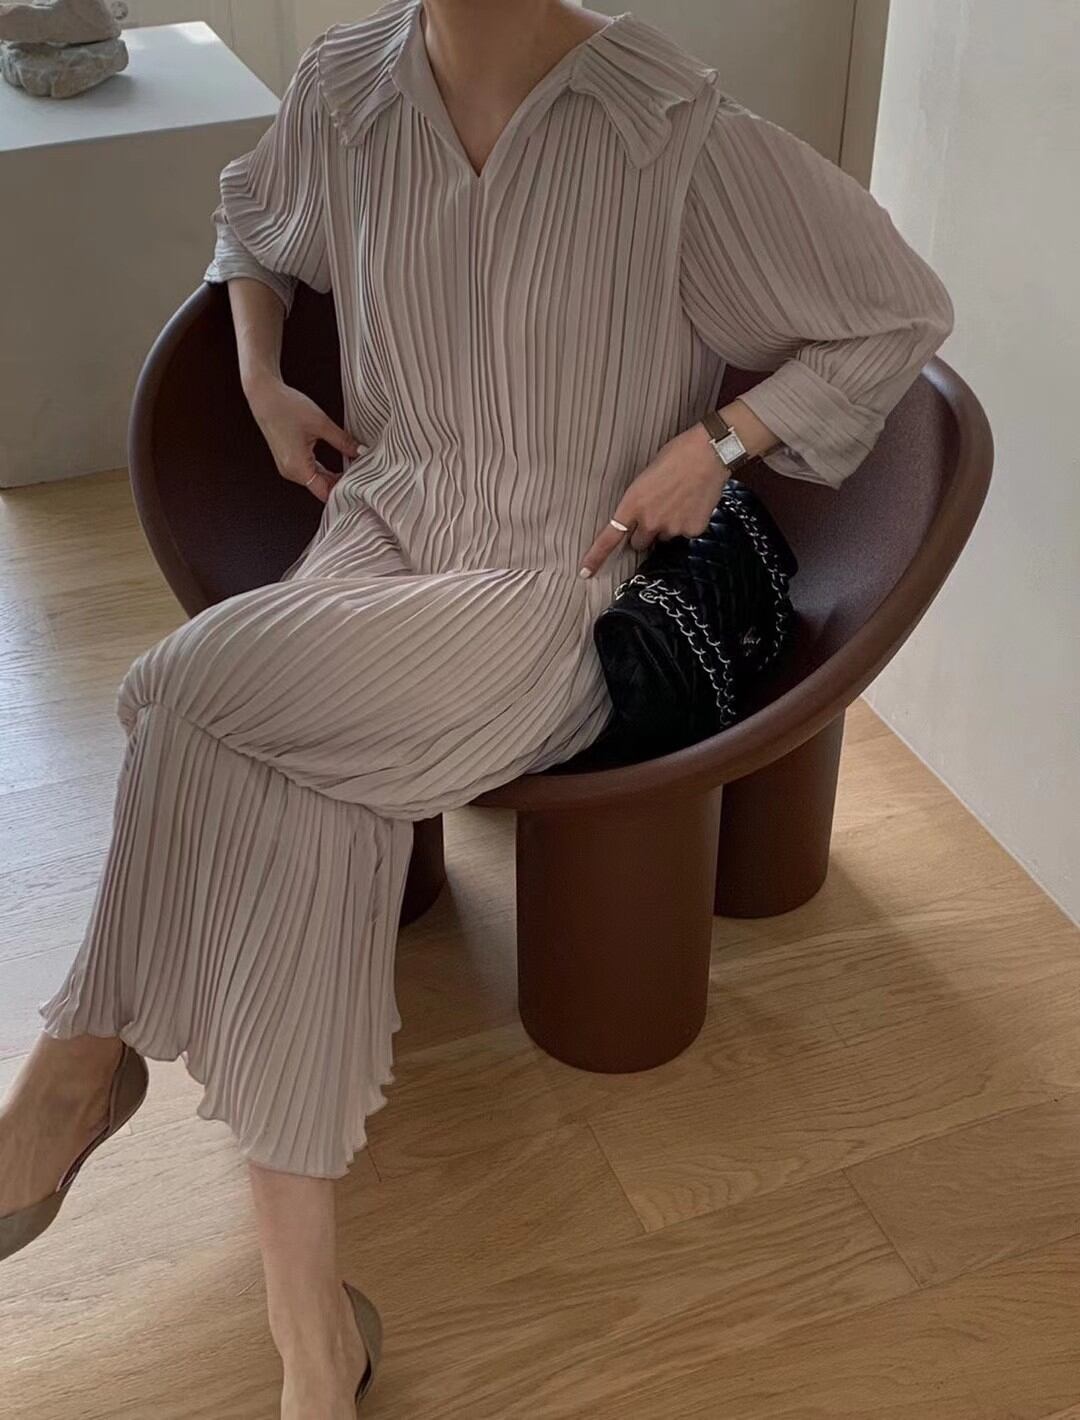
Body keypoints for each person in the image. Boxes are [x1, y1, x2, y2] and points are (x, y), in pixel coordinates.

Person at [0, 1, 954, 1414]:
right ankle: (313, 1346)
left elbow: (899, 311)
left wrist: (719, 440)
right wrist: (262, 382)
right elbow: (253, 224)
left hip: (550, 588)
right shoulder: (345, 85)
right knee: (295, 793)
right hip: (375, 539)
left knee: (181, 685)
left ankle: (76, 1065)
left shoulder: (669, 128)